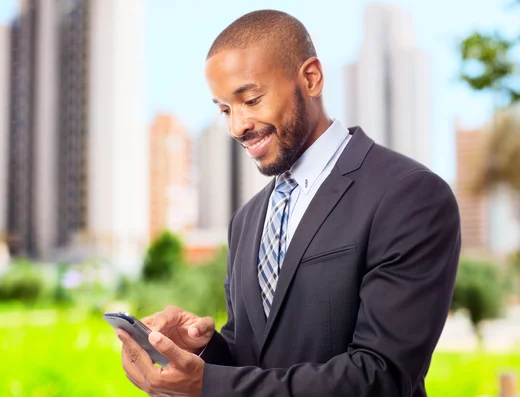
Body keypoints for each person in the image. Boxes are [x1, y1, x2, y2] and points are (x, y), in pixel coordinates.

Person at [116, 9, 461, 397]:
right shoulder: (246, 220)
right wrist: (201, 352)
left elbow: (381, 376)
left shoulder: (408, 195)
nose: (237, 126)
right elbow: (254, 357)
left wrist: (209, 385)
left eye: (251, 99)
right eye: (225, 109)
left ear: (310, 78)